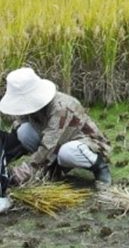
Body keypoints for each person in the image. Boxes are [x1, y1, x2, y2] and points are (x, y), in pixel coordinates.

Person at [0, 67, 112, 213]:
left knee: (67, 152)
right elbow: (17, 132)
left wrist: (22, 172)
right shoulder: (29, 110)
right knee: (23, 130)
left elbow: (48, 145)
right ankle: (51, 168)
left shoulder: (60, 107)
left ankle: (100, 167)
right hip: (55, 144)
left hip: (84, 143)